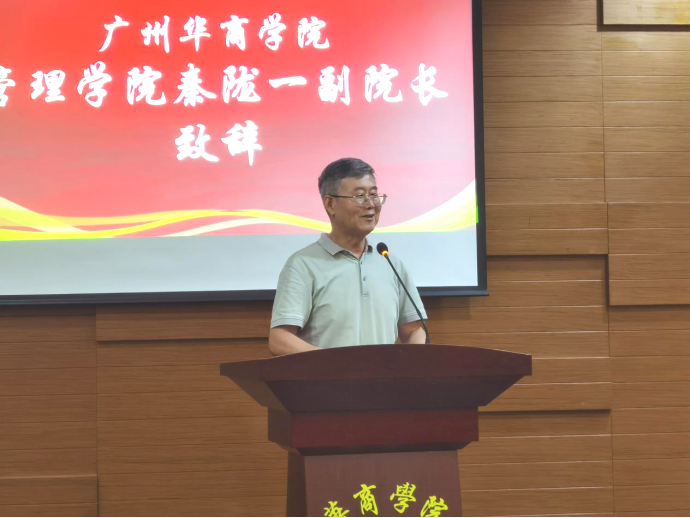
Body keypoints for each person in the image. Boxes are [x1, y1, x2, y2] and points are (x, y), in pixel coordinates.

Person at [268, 157, 428, 355]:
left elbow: (414, 330)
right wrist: (333, 365)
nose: (371, 204)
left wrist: (412, 363)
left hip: (384, 376)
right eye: (360, 196)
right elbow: (280, 339)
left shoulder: (390, 262)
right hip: (329, 375)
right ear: (330, 204)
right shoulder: (303, 265)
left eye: (374, 195)